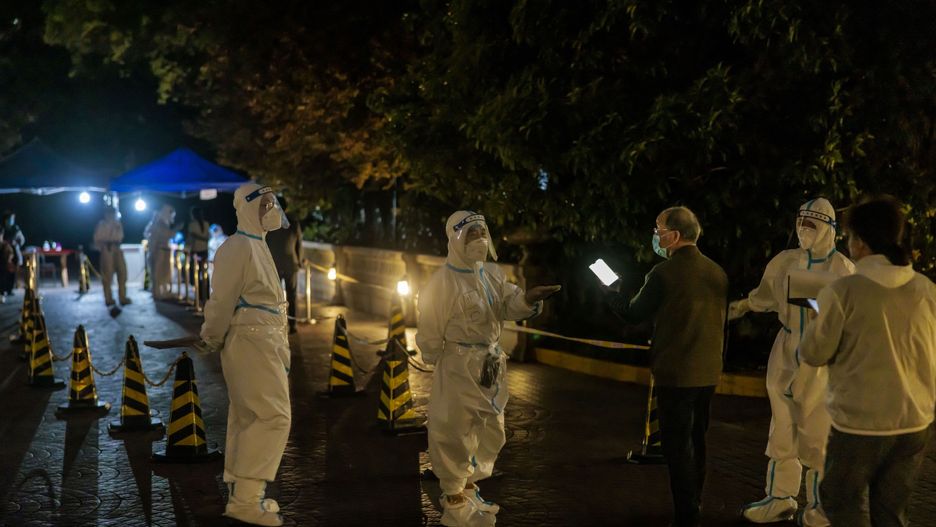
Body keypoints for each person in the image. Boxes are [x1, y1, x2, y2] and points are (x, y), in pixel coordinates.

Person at [417, 210, 560, 527]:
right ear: (455, 238)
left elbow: (508, 304)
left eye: (483, 233)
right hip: (458, 365)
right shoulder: (442, 282)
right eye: (472, 234)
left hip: (491, 364)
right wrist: (433, 357)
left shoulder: (491, 274)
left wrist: (529, 300)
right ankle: (453, 500)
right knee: (454, 428)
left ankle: (468, 487)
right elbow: (429, 326)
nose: (480, 239)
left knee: (490, 430)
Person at [799, 196, 936, 527]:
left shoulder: (844, 291)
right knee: (891, 512)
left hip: (861, 422)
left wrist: (821, 318)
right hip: (914, 422)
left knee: (839, 498)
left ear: (859, 241)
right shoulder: (926, 289)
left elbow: (814, 352)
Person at [731, 198, 854, 526]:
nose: (804, 231)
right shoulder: (784, 262)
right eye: (801, 224)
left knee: (817, 431)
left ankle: (819, 506)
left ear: (828, 229)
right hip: (786, 351)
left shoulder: (842, 268)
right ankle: (780, 497)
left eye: (811, 226)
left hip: (822, 359)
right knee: (782, 426)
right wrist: (744, 305)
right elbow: (765, 296)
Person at [605, 206, 728, 527]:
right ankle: (695, 503)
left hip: (676, 372)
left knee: (677, 448)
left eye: (659, 229)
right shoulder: (717, 272)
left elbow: (633, 313)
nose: (656, 235)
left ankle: (687, 514)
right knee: (697, 442)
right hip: (708, 370)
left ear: (674, 235)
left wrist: (613, 293)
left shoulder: (663, 273)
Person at [199, 182, 291, 526]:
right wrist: (211, 334)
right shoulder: (238, 247)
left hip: (263, 342)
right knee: (271, 416)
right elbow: (222, 300)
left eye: (272, 203)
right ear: (248, 208)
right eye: (265, 204)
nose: (272, 209)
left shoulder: (256, 245)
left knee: (251, 415)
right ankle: (247, 499)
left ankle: (244, 496)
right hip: (252, 342)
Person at [265, 198, 302, 334]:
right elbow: (299, 243)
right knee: (292, 295)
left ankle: (277, 322)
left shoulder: (269, 222)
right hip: (290, 263)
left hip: (274, 263)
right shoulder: (293, 222)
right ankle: (292, 324)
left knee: (275, 296)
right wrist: (300, 260)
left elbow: (265, 244)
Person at [93, 207, 131, 307]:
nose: (112, 215)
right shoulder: (102, 224)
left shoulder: (118, 224)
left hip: (117, 249)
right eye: (110, 213)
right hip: (107, 249)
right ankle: (108, 299)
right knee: (107, 275)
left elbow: (120, 236)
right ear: (106, 214)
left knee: (123, 273)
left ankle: (122, 297)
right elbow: (97, 239)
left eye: (113, 213)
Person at [146, 204, 176, 300]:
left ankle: (162, 291)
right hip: (160, 251)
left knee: (163, 272)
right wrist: (176, 230)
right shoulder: (159, 223)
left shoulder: (161, 223)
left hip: (162, 250)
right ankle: (157, 293)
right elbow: (166, 235)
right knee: (158, 272)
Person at [187, 207, 210, 303]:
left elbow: (190, 239)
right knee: (204, 273)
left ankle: (199, 295)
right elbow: (207, 237)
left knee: (195, 273)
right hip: (205, 251)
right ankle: (206, 294)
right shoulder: (206, 223)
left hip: (196, 251)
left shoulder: (192, 225)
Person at [1, 211, 25, 297]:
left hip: (14, 252)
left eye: (12, 219)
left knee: (12, 272)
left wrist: (16, 242)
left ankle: (10, 289)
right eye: (10, 219)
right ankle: (2, 290)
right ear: (5, 220)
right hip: (4, 253)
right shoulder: (2, 228)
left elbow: (22, 240)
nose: (11, 220)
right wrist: (6, 243)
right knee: (3, 272)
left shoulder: (16, 228)